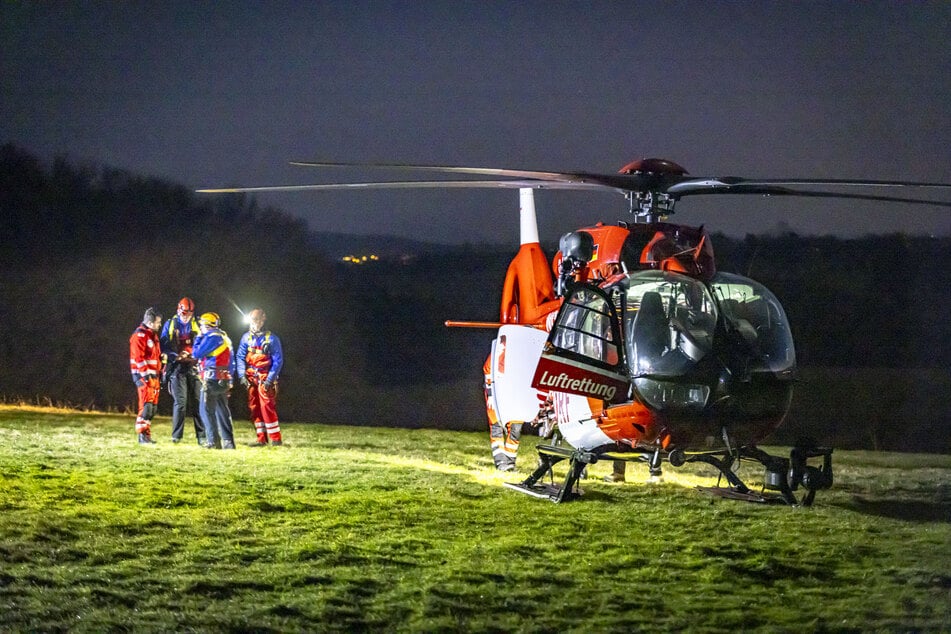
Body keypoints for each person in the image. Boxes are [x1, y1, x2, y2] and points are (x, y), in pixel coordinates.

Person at [236, 308, 284, 446]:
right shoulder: (246, 337)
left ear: (263, 320)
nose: (254, 323)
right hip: (251, 377)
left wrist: (270, 379)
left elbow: (278, 360)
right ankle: (261, 438)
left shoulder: (272, 339)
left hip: (265, 377)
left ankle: (275, 439)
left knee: (267, 407)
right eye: (252, 320)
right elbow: (240, 357)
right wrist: (241, 375)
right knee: (254, 407)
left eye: (257, 320)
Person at [160, 297, 205, 445]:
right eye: (184, 313)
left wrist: (193, 354)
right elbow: (164, 344)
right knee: (180, 403)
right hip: (177, 367)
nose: (186, 316)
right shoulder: (171, 324)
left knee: (198, 401)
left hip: (194, 366)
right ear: (179, 310)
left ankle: (202, 436)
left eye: (189, 313)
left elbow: (205, 343)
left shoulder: (197, 324)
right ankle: (176, 437)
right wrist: (175, 356)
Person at [192, 311, 236, 450]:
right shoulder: (224, 337)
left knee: (205, 410)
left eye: (202, 325)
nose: (201, 328)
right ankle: (229, 442)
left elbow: (196, 353)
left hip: (212, 379)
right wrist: (230, 379)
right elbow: (232, 361)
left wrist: (198, 337)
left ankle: (213, 441)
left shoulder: (212, 337)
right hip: (223, 379)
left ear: (207, 325)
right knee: (222, 411)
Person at [129, 307, 164, 444]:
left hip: (153, 376)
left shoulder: (152, 335)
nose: (159, 325)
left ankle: (146, 435)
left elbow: (154, 357)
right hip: (144, 376)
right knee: (146, 406)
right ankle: (142, 436)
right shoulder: (140, 335)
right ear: (150, 322)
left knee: (152, 408)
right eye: (158, 322)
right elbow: (139, 358)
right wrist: (146, 375)